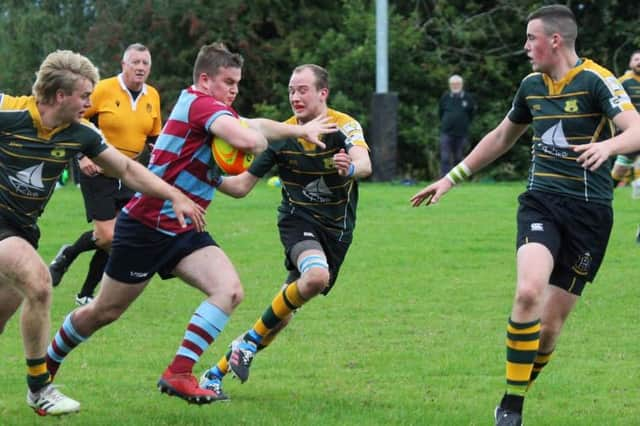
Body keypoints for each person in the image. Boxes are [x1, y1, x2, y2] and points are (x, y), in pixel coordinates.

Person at [45, 43, 336, 406]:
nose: (234, 90)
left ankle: (179, 373)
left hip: (185, 226)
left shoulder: (216, 110)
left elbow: (254, 125)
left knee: (229, 290)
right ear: (204, 79)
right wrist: (264, 143)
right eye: (228, 82)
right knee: (104, 311)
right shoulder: (199, 104)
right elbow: (250, 136)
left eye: (237, 83)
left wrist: (297, 132)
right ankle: (46, 365)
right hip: (147, 224)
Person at [410, 5, 640, 426]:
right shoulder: (531, 86)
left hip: (590, 214)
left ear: (555, 40)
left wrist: (608, 147)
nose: (525, 46)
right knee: (529, 292)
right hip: (541, 202)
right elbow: (501, 137)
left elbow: (636, 128)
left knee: (549, 329)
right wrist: (450, 179)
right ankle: (512, 412)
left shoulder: (597, 80)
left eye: (531, 38)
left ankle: (510, 393)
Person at [0, 50, 204, 416]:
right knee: (39, 283)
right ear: (60, 95)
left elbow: (126, 168)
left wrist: (174, 194)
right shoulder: (9, 112)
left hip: (23, 228)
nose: (90, 103)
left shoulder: (81, 133)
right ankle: (39, 389)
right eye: (84, 96)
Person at [198, 64, 372, 399]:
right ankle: (246, 343)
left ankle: (214, 373)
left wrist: (350, 167)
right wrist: (208, 176)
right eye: (292, 90)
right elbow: (240, 187)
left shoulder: (344, 126)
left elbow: (364, 164)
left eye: (302, 89)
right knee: (316, 276)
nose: (295, 96)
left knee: (282, 315)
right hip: (297, 222)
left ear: (323, 93)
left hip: (336, 232)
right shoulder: (281, 136)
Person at [49, 43, 162, 306]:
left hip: (129, 173)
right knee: (108, 236)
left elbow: (155, 137)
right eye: (135, 62)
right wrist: (82, 156)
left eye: (145, 63)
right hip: (97, 168)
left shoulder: (152, 96)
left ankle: (85, 294)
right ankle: (69, 253)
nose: (141, 67)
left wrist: (160, 167)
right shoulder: (103, 89)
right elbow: (73, 120)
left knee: (118, 236)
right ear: (123, 65)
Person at [438, 74, 476, 177]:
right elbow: (440, 113)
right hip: (446, 132)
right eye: (453, 84)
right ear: (450, 85)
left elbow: (471, 114)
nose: (455, 86)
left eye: (457, 84)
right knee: (445, 157)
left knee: (458, 158)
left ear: (462, 85)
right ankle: (443, 179)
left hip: (462, 133)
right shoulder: (445, 97)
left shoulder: (468, 98)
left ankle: (456, 180)